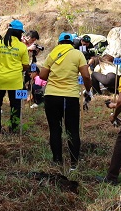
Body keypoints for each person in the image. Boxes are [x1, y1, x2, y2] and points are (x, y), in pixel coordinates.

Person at [39, 33, 92, 172]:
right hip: (70, 97)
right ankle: (74, 164)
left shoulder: (53, 53)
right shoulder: (77, 54)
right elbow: (86, 75)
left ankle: (57, 162)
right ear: (72, 43)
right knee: (73, 130)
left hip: (52, 96)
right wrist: (88, 90)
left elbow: (43, 76)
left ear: (59, 42)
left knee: (55, 129)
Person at [0, 20, 28, 134]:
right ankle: (13, 129)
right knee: (15, 105)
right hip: (15, 81)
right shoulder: (22, 47)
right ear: (20, 33)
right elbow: (26, 66)